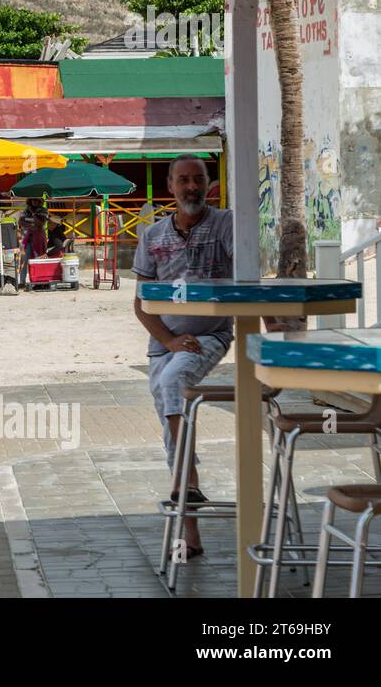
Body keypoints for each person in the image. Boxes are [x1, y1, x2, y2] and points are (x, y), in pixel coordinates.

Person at [132, 156, 233, 560]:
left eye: (199, 180)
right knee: (170, 423)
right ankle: (191, 535)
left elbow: (248, 273)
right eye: (184, 180)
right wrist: (169, 341)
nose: (192, 187)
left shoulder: (225, 224)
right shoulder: (152, 234)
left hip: (209, 335)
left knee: (173, 385)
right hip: (165, 343)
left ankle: (187, 483)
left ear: (209, 184)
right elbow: (140, 305)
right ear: (170, 186)